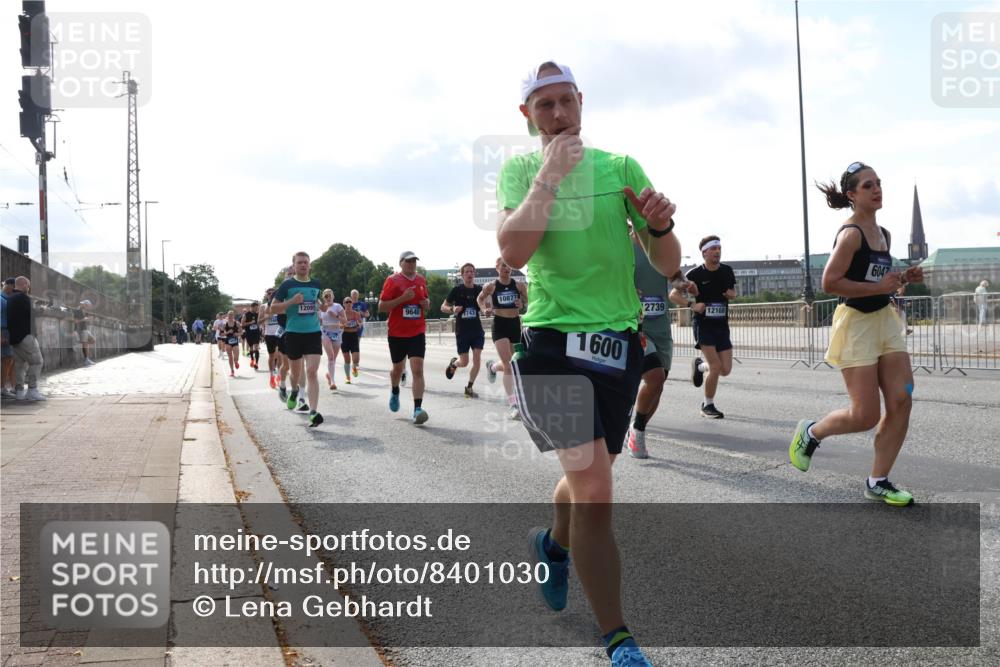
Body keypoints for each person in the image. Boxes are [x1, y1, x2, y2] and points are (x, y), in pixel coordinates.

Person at [497, 61, 681, 666]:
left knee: (590, 474)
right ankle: (619, 639)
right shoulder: (521, 171)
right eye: (542, 105)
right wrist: (549, 174)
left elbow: (668, 259)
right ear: (527, 117)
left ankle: (552, 544)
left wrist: (659, 225)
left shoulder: (620, 167)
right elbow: (514, 249)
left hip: (615, 346)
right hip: (550, 345)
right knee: (597, 488)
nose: (556, 113)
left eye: (564, 101)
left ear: (581, 101)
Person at [789, 161, 924, 507]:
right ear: (852, 195)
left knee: (902, 399)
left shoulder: (884, 234)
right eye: (868, 185)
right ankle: (812, 432)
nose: (877, 189)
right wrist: (878, 284)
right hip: (856, 325)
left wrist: (903, 279)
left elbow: (876, 280)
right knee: (865, 415)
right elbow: (830, 282)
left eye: (878, 182)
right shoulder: (850, 234)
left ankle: (878, 481)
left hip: (885, 321)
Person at [626, 225, 690, 458]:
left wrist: (682, 283)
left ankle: (635, 428)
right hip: (636, 326)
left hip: (661, 327)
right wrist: (628, 290)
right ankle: (637, 432)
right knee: (655, 377)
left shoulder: (659, 248)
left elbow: (674, 274)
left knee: (658, 386)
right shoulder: (622, 249)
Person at [670, 235, 736, 419]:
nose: (717, 252)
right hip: (703, 325)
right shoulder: (694, 274)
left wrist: (731, 294)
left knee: (725, 370)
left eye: (719, 248)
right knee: (715, 367)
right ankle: (708, 405)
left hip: (722, 325)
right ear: (704, 252)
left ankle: (700, 367)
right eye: (713, 249)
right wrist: (692, 305)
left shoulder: (727, 271)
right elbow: (673, 295)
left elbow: (733, 292)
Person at [270, 252, 326, 427]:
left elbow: (320, 302)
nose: (303, 265)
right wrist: (291, 302)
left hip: (313, 333)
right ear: (294, 265)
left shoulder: (316, 284)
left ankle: (313, 412)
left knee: (311, 371)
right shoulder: (287, 285)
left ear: (310, 265)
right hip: (293, 333)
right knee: (295, 373)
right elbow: (272, 309)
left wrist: (322, 304)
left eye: (306, 262)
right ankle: (294, 390)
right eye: (299, 262)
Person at [379, 251, 431, 424]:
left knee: (418, 370)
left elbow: (426, 303)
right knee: (397, 370)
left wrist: (426, 304)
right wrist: (402, 298)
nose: (411, 264)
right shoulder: (392, 280)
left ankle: (417, 409)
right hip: (397, 333)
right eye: (408, 262)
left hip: (417, 331)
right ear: (401, 263)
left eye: (414, 261)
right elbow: (381, 306)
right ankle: (395, 390)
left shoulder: (421, 280)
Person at [481, 257, 529, 419]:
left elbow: (531, 301)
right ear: (497, 268)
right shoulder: (491, 286)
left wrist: (522, 304)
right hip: (499, 324)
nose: (506, 269)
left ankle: (493, 367)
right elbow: (480, 299)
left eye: (508, 266)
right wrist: (484, 309)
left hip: (515, 324)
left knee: (515, 364)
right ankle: (513, 404)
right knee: (509, 365)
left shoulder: (519, 285)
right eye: (503, 266)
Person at [442, 262, 485, 398]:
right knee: (465, 362)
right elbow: (443, 307)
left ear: (474, 274)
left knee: (477, 359)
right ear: (462, 275)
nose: (469, 274)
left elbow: (486, 302)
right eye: (466, 272)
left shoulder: (479, 290)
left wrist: (487, 307)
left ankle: (469, 387)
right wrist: (452, 309)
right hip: (462, 331)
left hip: (477, 330)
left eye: (472, 271)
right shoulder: (457, 290)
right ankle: (454, 364)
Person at [8, 276, 46, 401]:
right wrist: (41, 310)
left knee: (20, 365)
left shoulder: (11, 298)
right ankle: (32, 390)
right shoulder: (23, 297)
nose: (28, 289)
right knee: (37, 361)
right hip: (25, 336)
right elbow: (32, 313)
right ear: (24, 284)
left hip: (14, 337)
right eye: (28, 286)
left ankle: (19, 391)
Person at [320, 289, 347, 390]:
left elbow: (345, 321)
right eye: (326, 296)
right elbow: (318, 321)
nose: (328, 298)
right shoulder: (322, 308)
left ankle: (329, 374)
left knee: (333, 359)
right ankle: (333, 381)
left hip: (337, 333)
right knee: (330, 357)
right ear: (324, 298)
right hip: (325, 333)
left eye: (329, 295)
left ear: (333, 296)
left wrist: (335, 315)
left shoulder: (337, 306)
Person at [261, 288, 283, 389]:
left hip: (280, 332)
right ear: (266, 295)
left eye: (273, 293)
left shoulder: (280, 304)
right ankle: (271, 376)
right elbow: (258, 322)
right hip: (269, 334)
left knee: (279, 355)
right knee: (272, 356)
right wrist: (266, 317)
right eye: (269, 293)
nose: (271, 295)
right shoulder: (263, 307)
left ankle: (278, 374)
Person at [341, 296, 363, 385]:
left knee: (356, 359)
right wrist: (344, 325)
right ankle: (348, 377)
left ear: (352, 304)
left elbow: (360, 323)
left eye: (350, 302)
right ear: (344, 304)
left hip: (354, 336)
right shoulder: (341, 314)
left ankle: (354, 368)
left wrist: (359, 325)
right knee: (347, 359)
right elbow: (338, 325)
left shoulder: (356, 313)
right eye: (346, 302)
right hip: (344, 336)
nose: (348, 303)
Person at [350, 288, 370, 374]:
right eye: (353, 294)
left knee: (356, 343)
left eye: (356, 294)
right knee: (351, 344)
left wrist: (362, 313)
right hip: (349, 327)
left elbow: (367, 314)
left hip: (358, 327)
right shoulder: (348, 303)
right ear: (351, 296)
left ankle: (355, 361)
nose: (354, 296)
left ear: (358, 295)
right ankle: (354, 360)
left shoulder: (362, 304)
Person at [1, 279, 15, 399]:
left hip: (7, 330)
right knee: (6, 359)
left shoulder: (7, 298)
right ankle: (3, 387)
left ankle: (6, 386)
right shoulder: (2, 299)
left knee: (8, 359)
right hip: (3, 330)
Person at [73, 300, 97, 366]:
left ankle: (83, 345)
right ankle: (86, 360)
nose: (87, 308)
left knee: (93, 340)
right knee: (85, 343)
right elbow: (76, 321)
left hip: (85, 329)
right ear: (84, 304)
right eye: (87, 306)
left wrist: (87, 318)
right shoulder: (77, 310)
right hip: (81, 330)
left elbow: (84, 318)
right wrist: (84, 319)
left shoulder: (83, 310)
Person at [241, 302, 263, 369]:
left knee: (256, 347)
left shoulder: (257, 314)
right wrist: (250, 322)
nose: (257, 309)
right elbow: (242, 324)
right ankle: (252, 360)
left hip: (256, 333)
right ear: (252, 307)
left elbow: (260, 323)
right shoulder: (246, 315)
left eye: (257, 308)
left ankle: (256, 363)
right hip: (249, 333)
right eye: (256, 308)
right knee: (251, 348)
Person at [220, 311, 242, 377]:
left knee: (236, 356)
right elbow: (221, 334)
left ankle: (236, 362)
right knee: (230, 357)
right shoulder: (225, 324)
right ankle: (232, 370)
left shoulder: (237, 323)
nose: (230, 316)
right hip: (228, 342)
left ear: (233, 316)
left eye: (231, 315)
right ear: (227, 316)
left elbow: (241, 332)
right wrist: (227, 332)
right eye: (229, 315)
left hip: (235, 341)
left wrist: (237, 334)